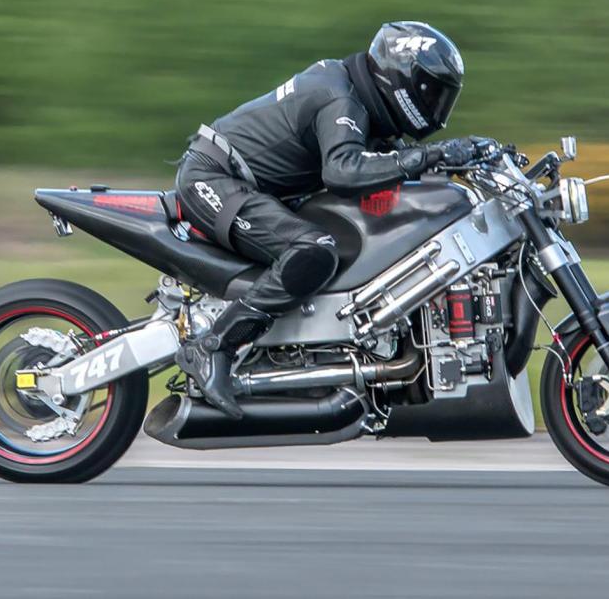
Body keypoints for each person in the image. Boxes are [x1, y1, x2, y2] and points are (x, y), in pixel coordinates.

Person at [174, 21, 497, 418]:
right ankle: (213, 348)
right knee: (314, 249)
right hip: (215, 179)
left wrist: (460, 159)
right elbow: (342, 172)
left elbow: (390, 167)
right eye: (432, 94)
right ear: (401, 79)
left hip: (250, 187)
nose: (436, 108)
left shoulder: (359, 100)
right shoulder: (340, 98)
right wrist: (432, 155)